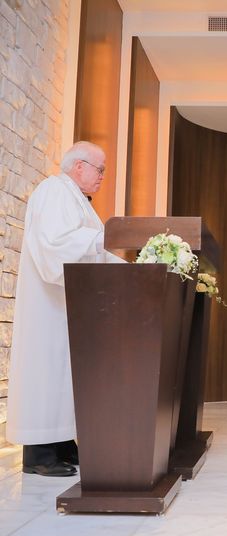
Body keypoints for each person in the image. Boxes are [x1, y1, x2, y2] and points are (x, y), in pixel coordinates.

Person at [7, 141, 124, 477]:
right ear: (79, 166)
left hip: (69, 304)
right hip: (49, 306)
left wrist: (131, 269)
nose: (102, 176)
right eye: (100, 169)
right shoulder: (54, 190)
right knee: (49, 374)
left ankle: (61, 443)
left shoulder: (76, 199)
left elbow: (93, 251)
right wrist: (102, 241)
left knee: (65, 376)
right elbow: (55, 244)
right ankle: (39, 455)